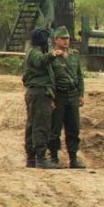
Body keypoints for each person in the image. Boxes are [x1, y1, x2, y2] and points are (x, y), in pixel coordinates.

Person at [23, 27, 63, 169]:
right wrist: (52, 55)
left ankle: (31, 157)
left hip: (37, 92)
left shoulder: (32, 52)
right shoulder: (35, 53)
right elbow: (41, 61)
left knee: (33, 124)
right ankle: (40, 157)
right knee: (41, 124)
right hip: (40, 93)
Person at [48, 26, 86, 169]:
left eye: (67, 38)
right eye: (63, 38)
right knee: (55, 128)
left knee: (73, 128)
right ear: (56, 40)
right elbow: (49, 78)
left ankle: (73, 158)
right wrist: (51, 98)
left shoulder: (74, 55)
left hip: (72, 95)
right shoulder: (52, 57)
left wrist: (81, 94)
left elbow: (79, 77)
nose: (66, 41)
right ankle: (53, 157)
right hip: (59, 95)